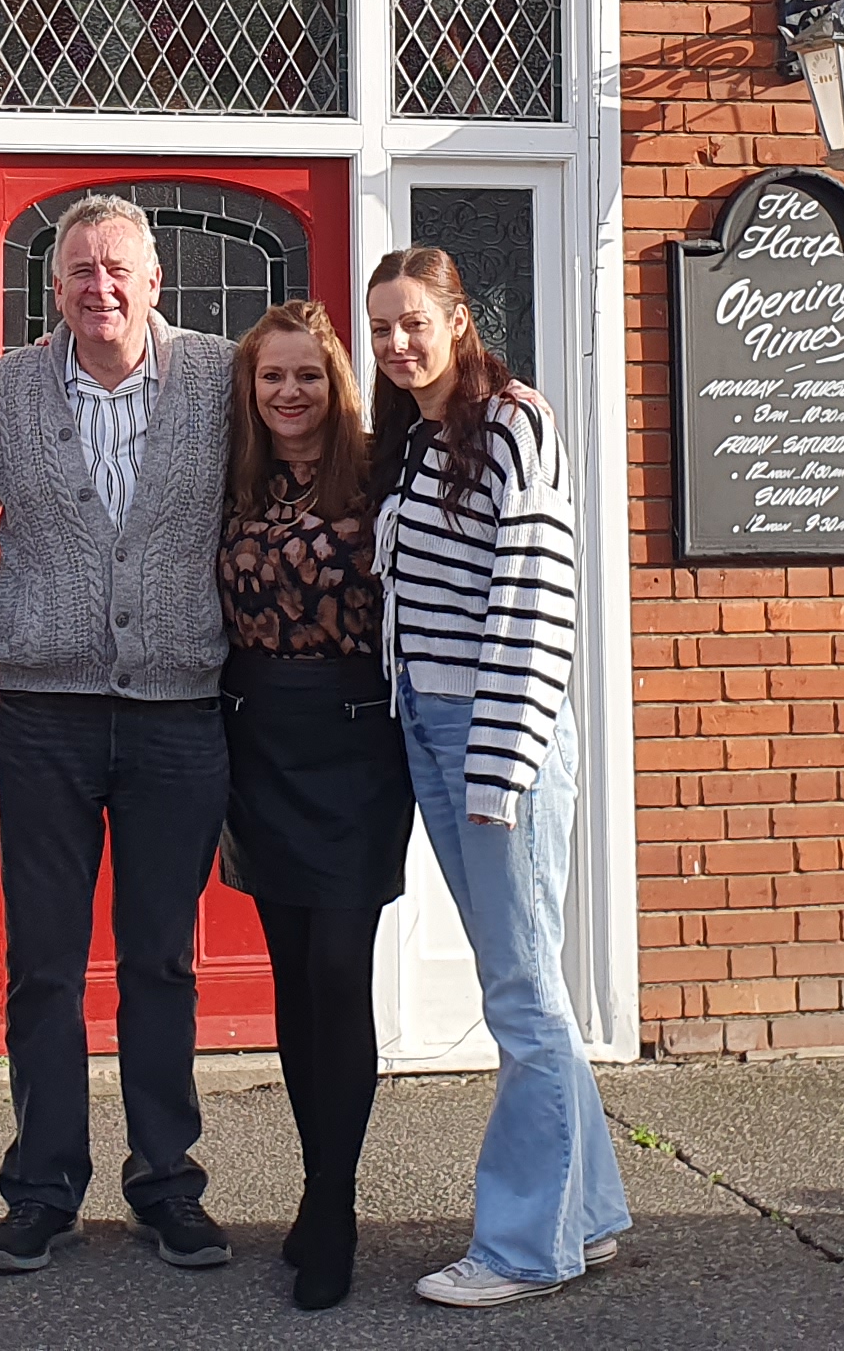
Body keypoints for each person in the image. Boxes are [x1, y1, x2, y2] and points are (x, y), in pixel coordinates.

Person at [0, 193, 240, 1276]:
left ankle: (167, 1182)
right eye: (79, 270)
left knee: (161, 959)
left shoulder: (218, 379)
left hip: (180, 716)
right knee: (44, 964)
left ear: (155, 281)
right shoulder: (13, 389)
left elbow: (319, 440)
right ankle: (43, 1186)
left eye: (119, 269)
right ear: (55, 285)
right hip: (45, 716)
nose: (99, 287)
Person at [365, 245, 631, 1309]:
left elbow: (534, 607)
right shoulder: (423, 438)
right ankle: (593, 1212)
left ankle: (526, 1249)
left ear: (460, 320)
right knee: (525, 986)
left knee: (522, 996)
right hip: (429, 724)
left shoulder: (515, 422)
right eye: (382, 327)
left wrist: (501, 766)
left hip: (493, 731)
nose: (396, 344)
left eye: (415, 323)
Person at [213, 301, 414, 1311]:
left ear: (336, 382)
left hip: (357, 743)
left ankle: (334, 1203)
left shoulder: (384, 470)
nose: (288, 393)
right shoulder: (236, 484)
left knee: (340, 967)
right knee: (296, 978)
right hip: (257, 743)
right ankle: (315, 1181)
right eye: (270, 377)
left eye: (305, 375)